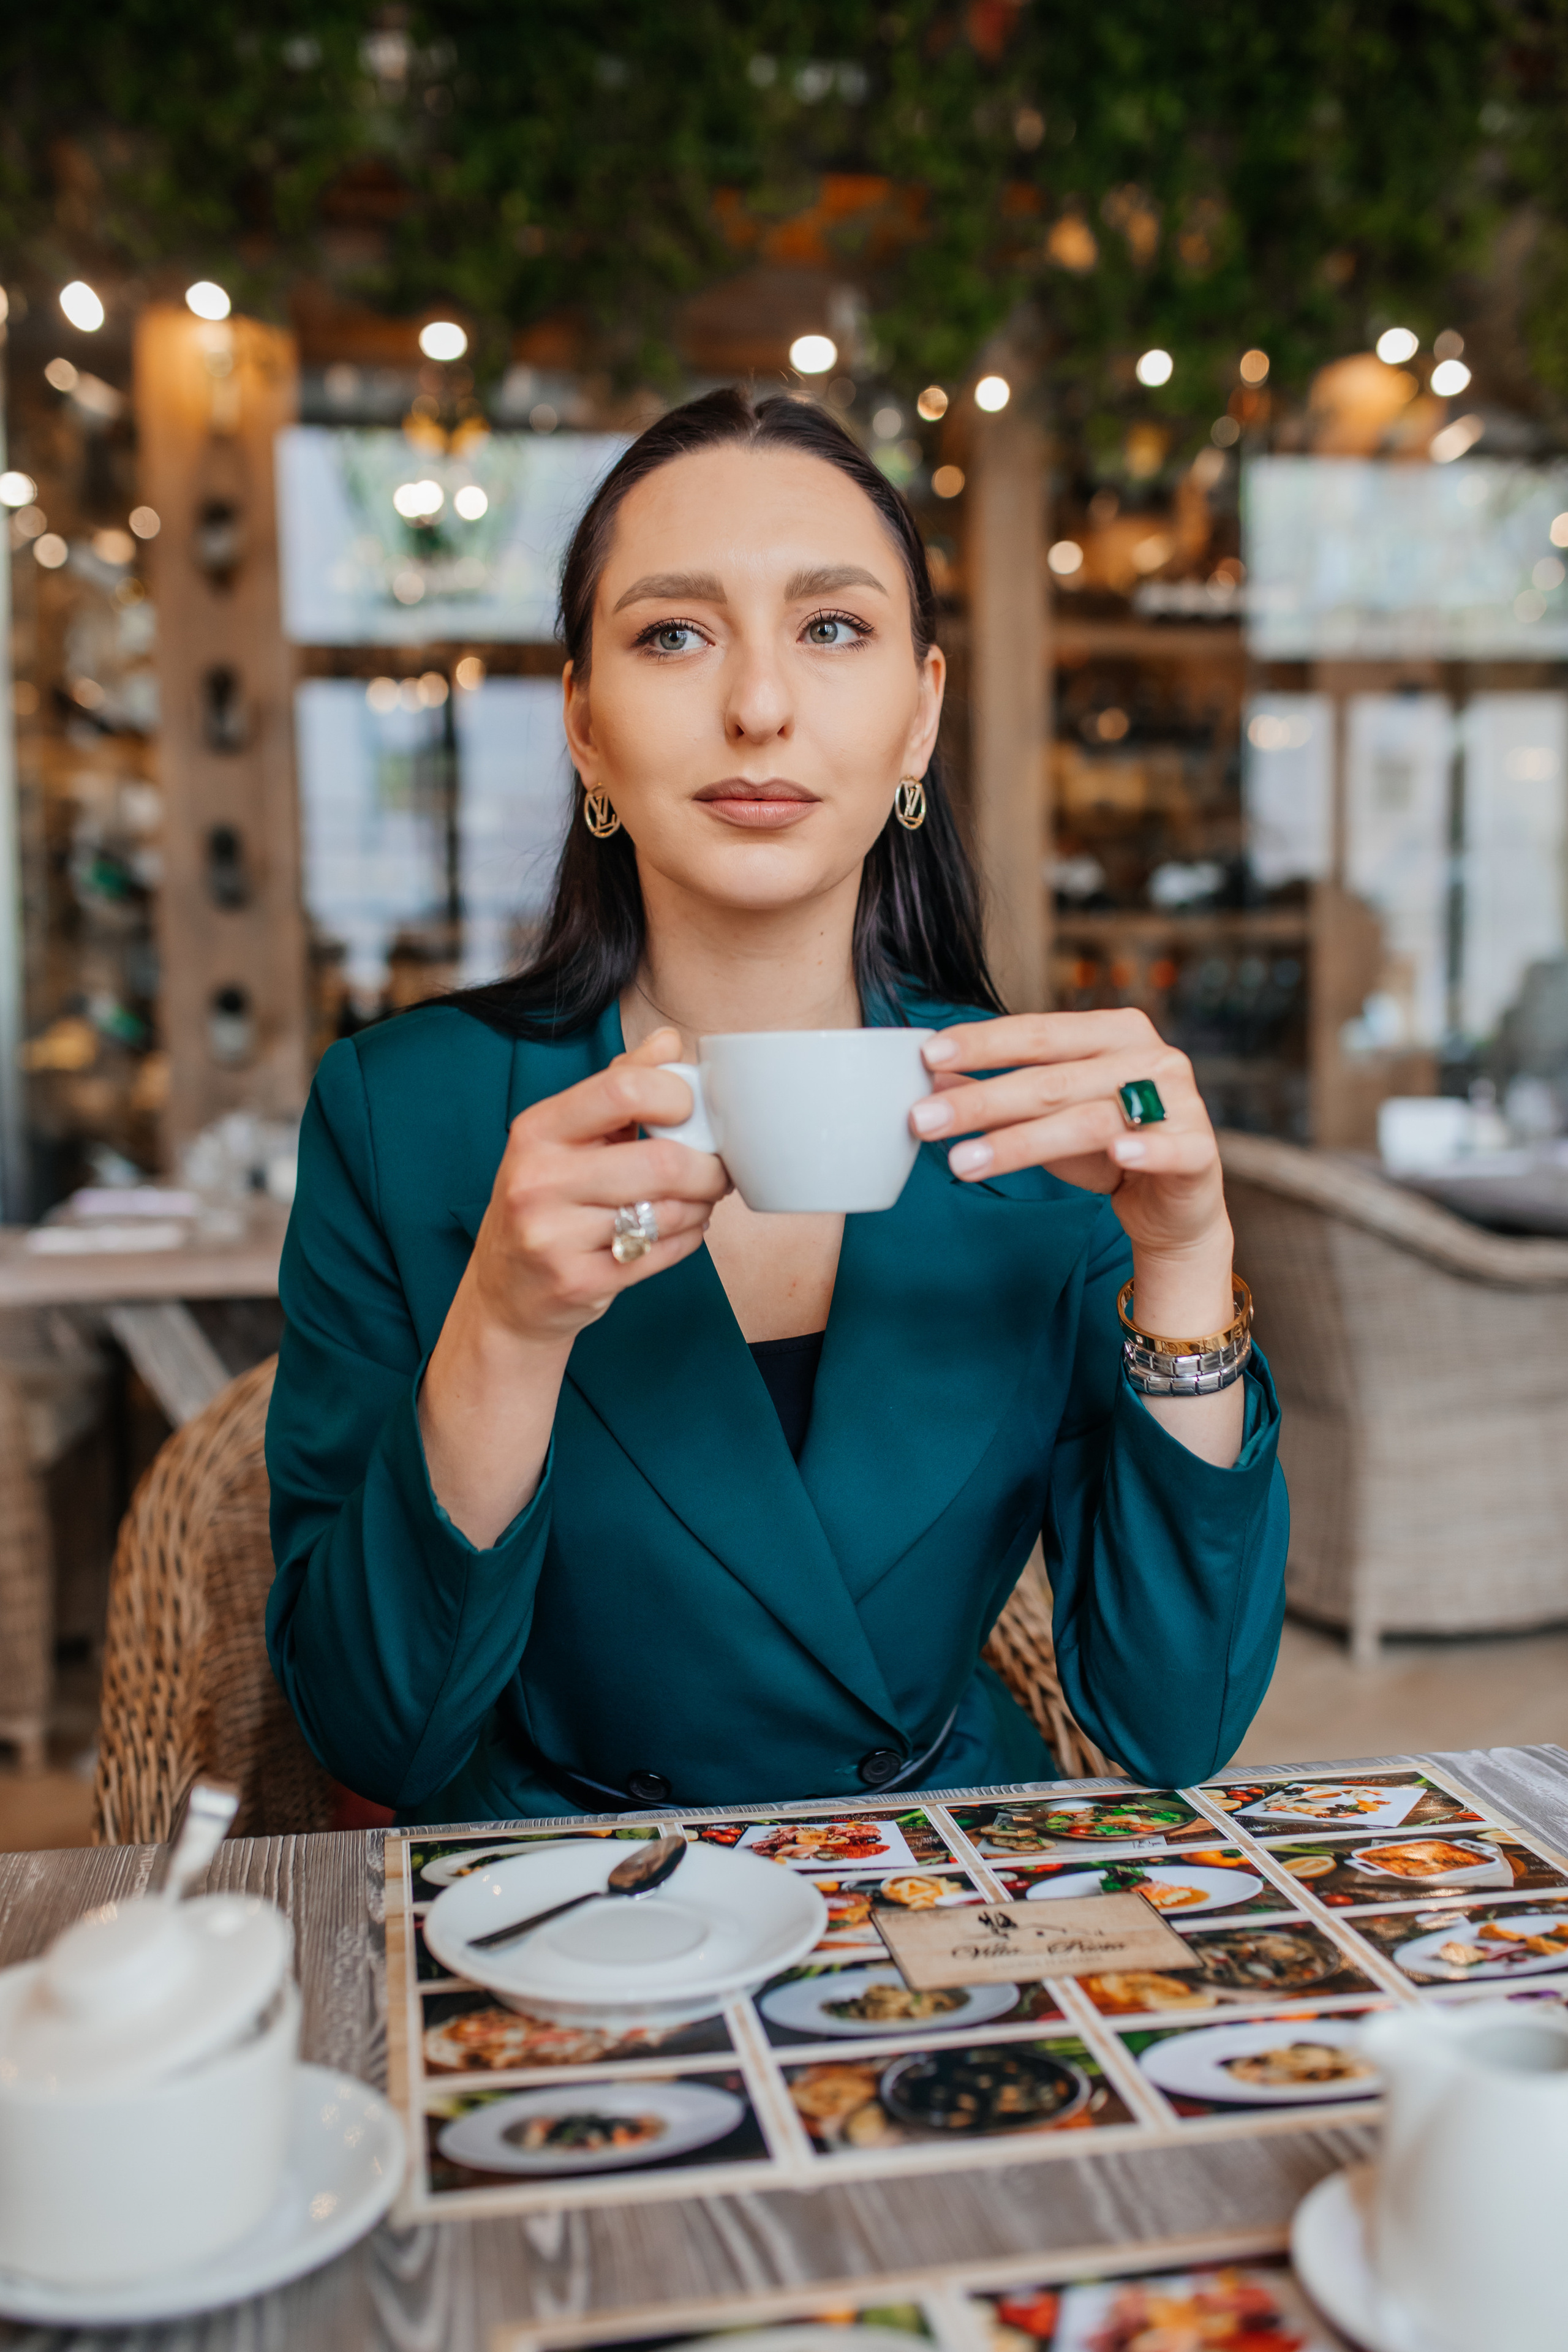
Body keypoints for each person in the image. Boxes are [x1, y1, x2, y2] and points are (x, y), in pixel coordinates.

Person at [265, 386, 1287, 1825]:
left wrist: (1183, 1261)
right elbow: (376, 1738)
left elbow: (1171, 1723)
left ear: (920, 715)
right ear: (585, 729)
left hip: (940, 1885)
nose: (757, 705)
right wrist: (501, 1324)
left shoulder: (1044, 1122)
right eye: (673, 635)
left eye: (832, 629)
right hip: (569, 1920)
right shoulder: (400, 1114)